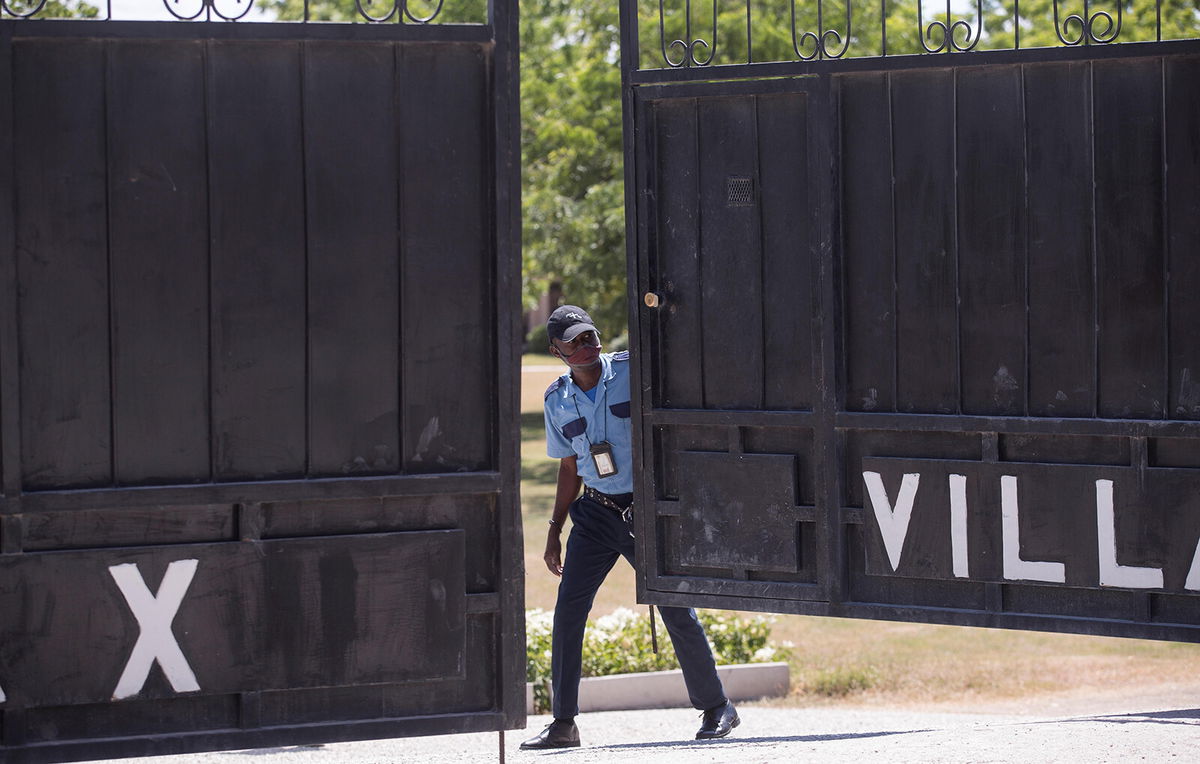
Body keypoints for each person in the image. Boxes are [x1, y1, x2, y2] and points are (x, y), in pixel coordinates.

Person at [520, 305, 740, 750]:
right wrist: (553, 528)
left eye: (591, 336)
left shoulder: (631, 372)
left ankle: (717, 708)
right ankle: (564, 723)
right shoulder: (556, 400)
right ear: (557, 350)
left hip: (644, 511)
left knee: (677, 608)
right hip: (595, 515)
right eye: (576, 341)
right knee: (568, 614)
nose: (587, 345)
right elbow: (569, 467)